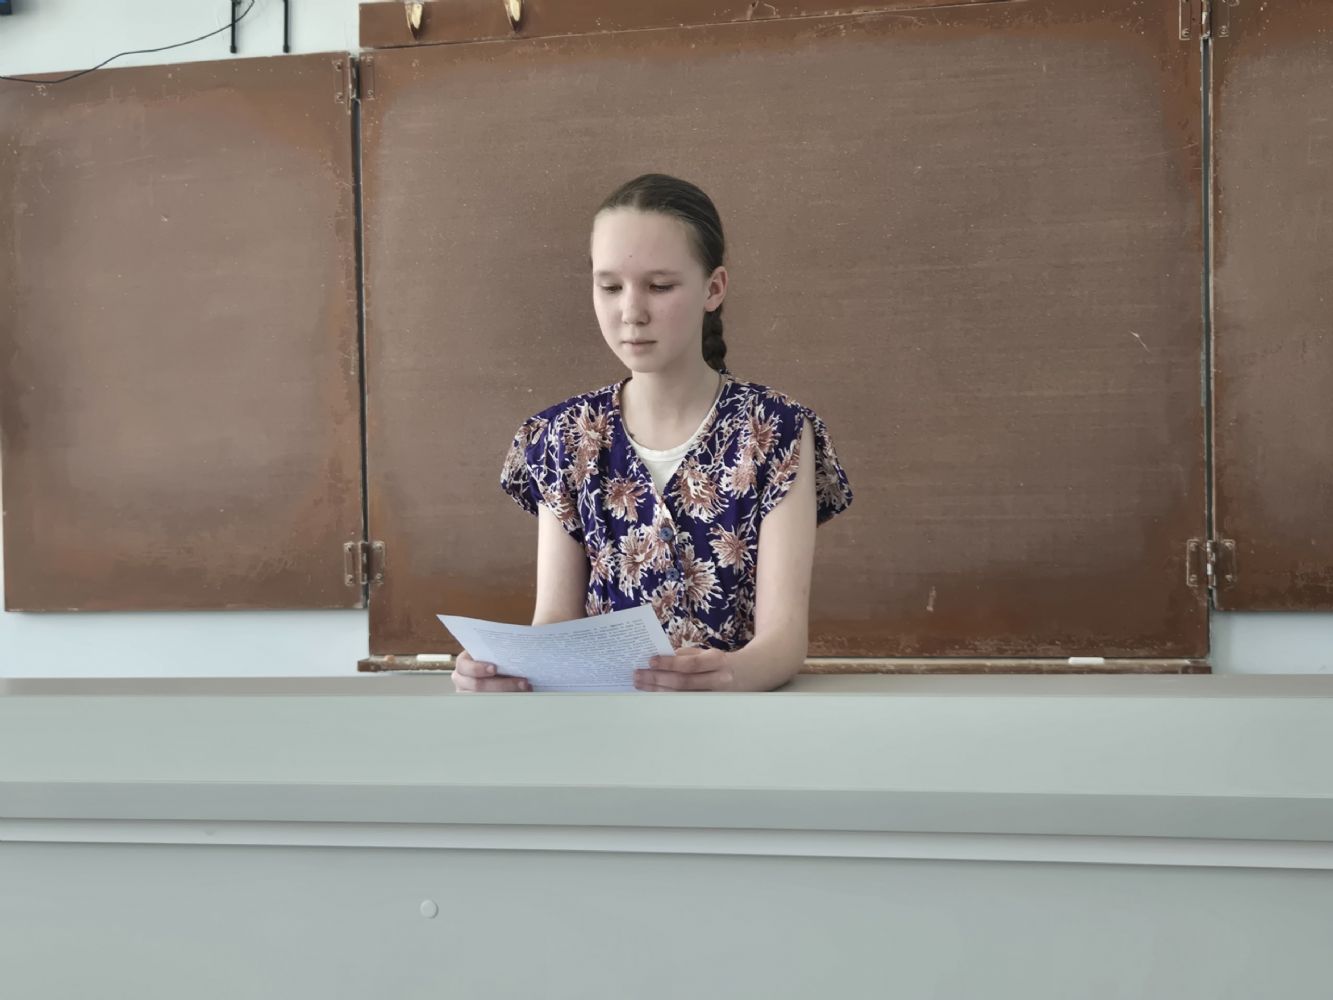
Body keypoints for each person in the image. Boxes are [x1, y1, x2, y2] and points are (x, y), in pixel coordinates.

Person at [453, 173, 852, 692]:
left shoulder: (776, 430)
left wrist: (723, 676)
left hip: (739, 722)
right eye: (609, 287)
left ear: (714, 289)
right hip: (603, 726)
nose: (631, 312)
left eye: (660, 287)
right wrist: (505, 667)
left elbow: (782, 640)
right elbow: (555, 621)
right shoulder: (560, 437)